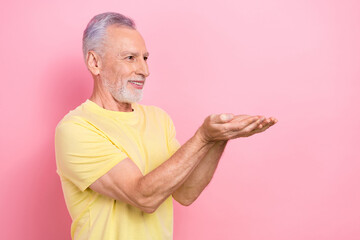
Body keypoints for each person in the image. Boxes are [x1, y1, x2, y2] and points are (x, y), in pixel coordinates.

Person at [55, 12, 277, 240]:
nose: (144, 70)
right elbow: (143, 197)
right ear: (95, 62)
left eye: (145, 58)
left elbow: (185, 193)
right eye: (130, 58)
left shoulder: (158, 119)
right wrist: (203, 138)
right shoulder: (76, 129)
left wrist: (219, 137)